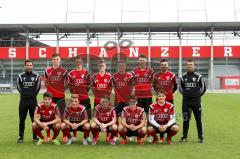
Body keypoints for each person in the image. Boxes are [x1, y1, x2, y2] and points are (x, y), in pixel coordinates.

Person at [179, 59, 206, 143]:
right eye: (188, 65)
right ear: (186, 66)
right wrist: (187, 94)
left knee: (198, 120)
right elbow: (180, 89)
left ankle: (200, 137)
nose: (190, 66)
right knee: (186, 119)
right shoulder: (182, 77)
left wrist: (197, 96)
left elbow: (203, 89)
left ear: (194, 66)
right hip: (186, 103)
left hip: (196, 102)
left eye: (191, 65)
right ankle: (184, 137)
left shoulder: (199, 77)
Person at [16, 59, 41, 143]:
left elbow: (38, 88)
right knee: (22, 120)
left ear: (32, 66)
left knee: (34, 120)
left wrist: (32, 95)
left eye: (30, 65)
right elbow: (18, 87)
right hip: (23, 101)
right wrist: (24, 94)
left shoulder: (37, 76)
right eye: (27, 65)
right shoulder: (20, 76)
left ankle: (35, 137)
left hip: (33, 101)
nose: (29, 67)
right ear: (25, 66)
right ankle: (20, 137)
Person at [44, 53, 67, 141]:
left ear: (60, 60)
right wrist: (51, 91)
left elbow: (66, 84)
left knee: (62, 116)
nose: (56, 61)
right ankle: (48, 136)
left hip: (60, 96)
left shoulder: (64, 71)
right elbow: (46, 82)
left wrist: (60, 89)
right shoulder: (47, 70)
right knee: (49, 116)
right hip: (50, 98)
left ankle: (64, 135)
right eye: (54, 59)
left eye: (57, 59)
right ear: (52, 60)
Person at [153, 58, 177, 140]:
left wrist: (169, 93)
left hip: (169, 98)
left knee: (168, 117)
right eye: (162, 65)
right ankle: (161, 136)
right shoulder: (156, 76)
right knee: (159, 117)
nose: (164, 66)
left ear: (167, 65)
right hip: (159, 99)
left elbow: (175, 86)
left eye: (165, 65)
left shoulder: (172, 75)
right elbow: (154, 86)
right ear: (160, 65)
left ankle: (169, 136)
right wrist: (160, 95)